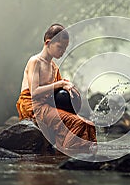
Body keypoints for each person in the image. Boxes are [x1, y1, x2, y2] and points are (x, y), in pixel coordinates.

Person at [16, 24, 96, 152]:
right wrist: (60, 84)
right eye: (60, 47)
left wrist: (69, 87)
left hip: (48, 106)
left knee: (89, 125)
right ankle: (64, 152)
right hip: (33, 106)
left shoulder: (53, 67)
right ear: (48, 43)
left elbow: (59, 94)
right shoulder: (35, 61)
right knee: (78, 124)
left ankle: (78, 157)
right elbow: (34, 93)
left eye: (64, 49)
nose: (62, 52)